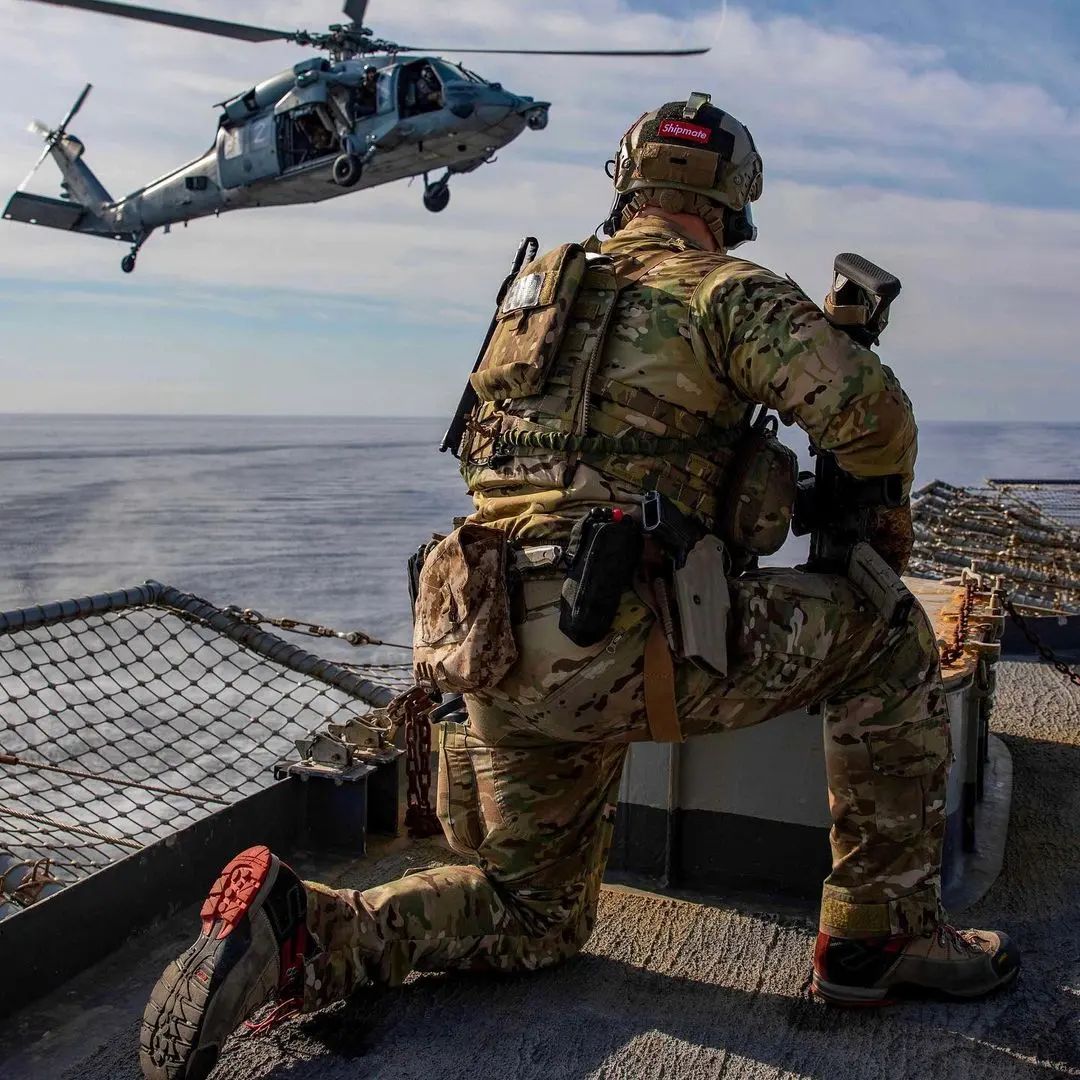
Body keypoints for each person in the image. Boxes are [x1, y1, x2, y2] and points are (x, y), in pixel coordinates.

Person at [138, 94, 1020, 1080]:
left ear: (625, 184)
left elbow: (515, 474)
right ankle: (880, 938)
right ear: (732, 198)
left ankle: (304, 930)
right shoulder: (726, 292)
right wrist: (876, 504)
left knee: (531, 915)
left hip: (486, 647)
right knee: (889, 634)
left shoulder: (531, 304)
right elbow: (873, 417)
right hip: (621, 646)